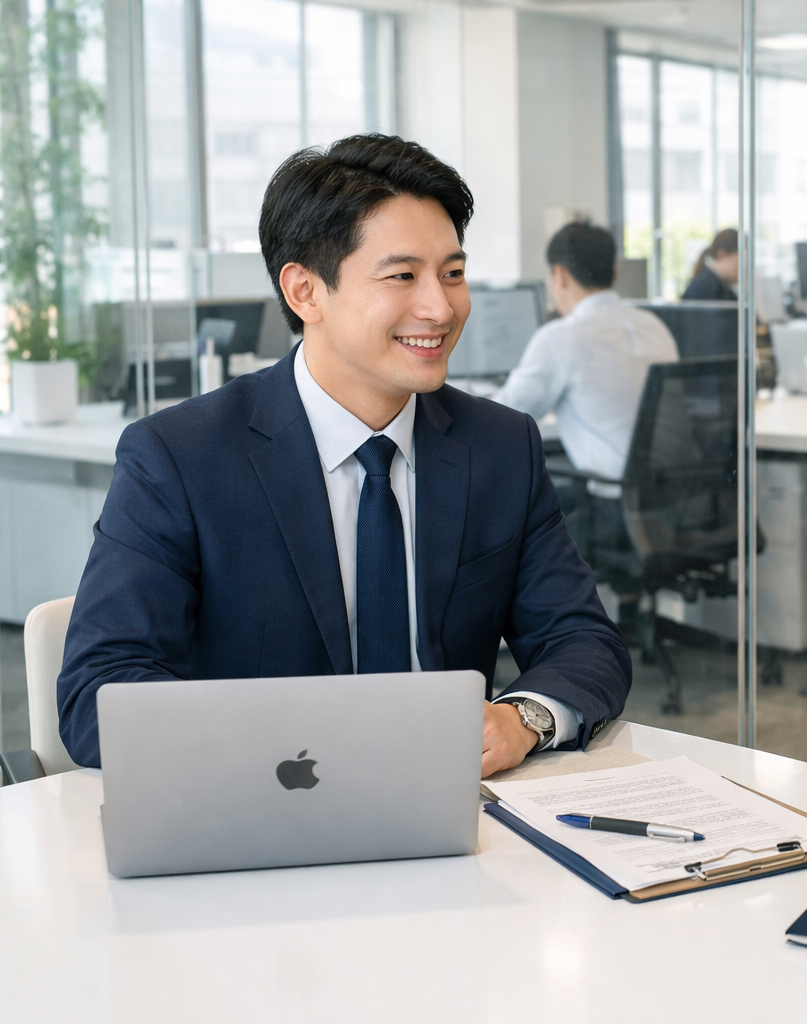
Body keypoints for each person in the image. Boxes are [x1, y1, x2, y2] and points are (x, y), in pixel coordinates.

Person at [56, 135, 631, 776]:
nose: (441, 307)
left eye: (453, 273)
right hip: (269, 813)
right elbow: (99, 693)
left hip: (460, 816)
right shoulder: (181, 458)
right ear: (305, 292)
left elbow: (584, 641)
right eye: (402, 276)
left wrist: (522, 717)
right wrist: (307, 748)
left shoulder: (500, 447)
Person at [492, 221, 678, 493]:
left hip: (615, 504)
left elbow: (501, 420)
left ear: (560, 275)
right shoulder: (654, 326)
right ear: (614, 273)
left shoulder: (560, 338)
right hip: (675, 495)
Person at [682, 228, 738, 300]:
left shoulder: (722, 288)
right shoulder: (704, 289)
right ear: (721, 255)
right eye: (739, 262)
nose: (745, 268)